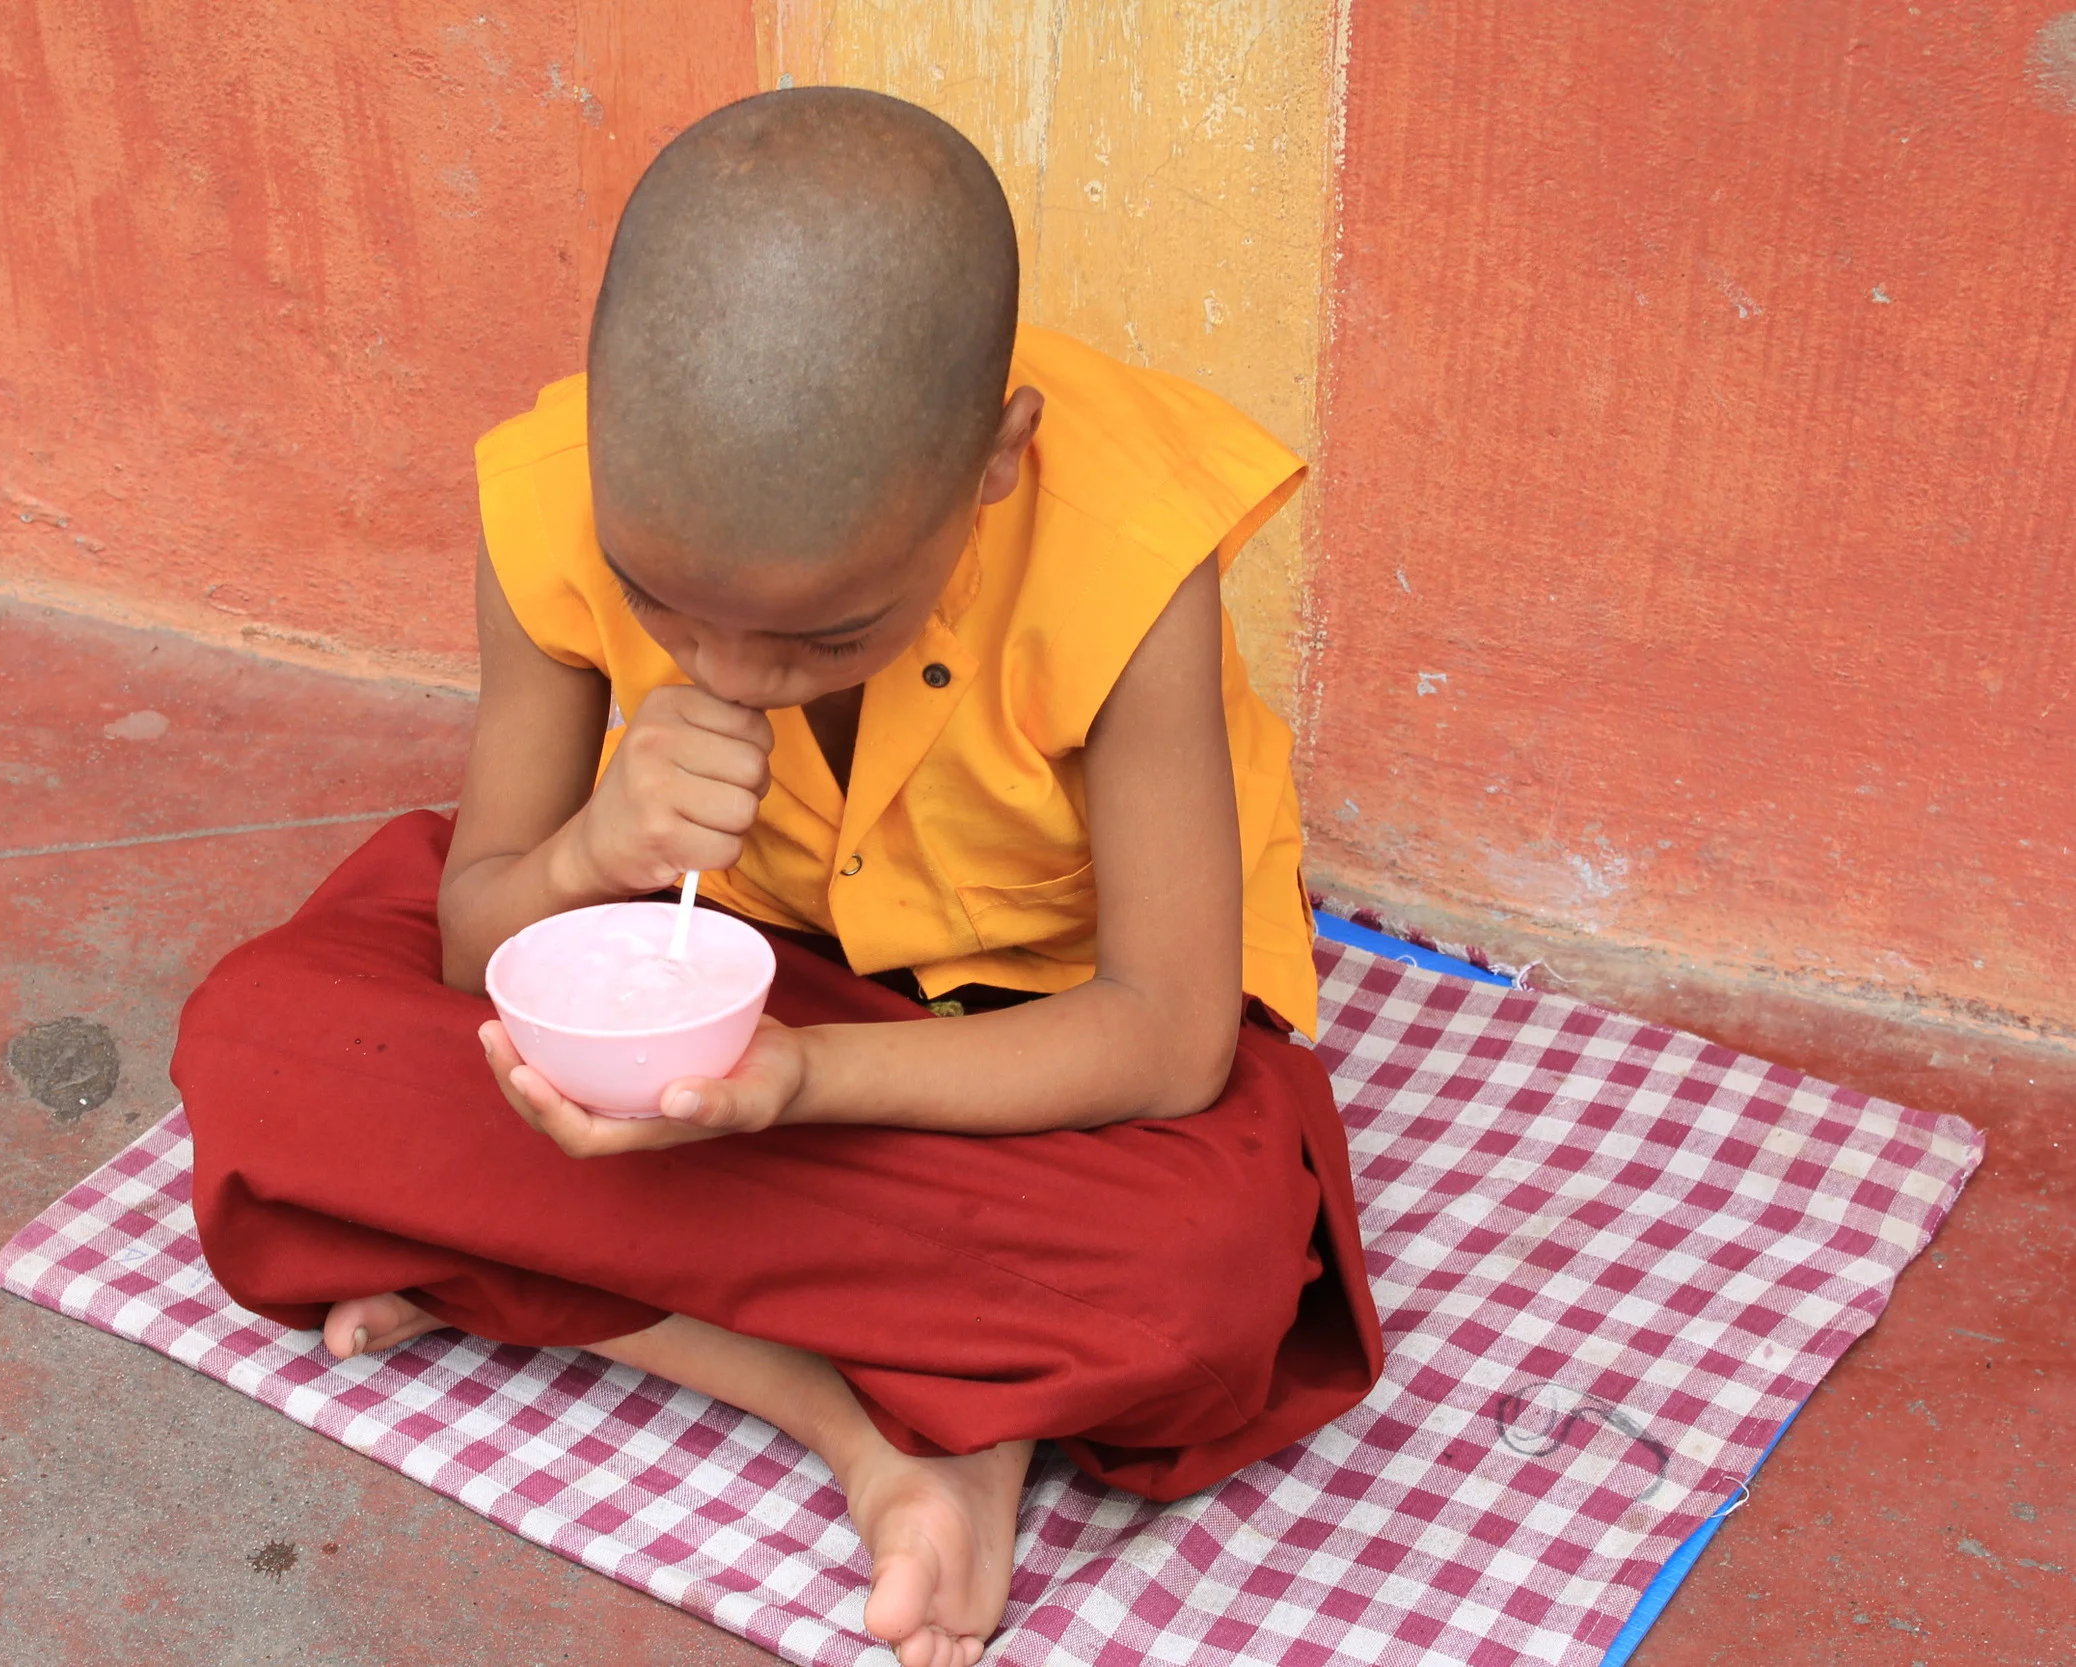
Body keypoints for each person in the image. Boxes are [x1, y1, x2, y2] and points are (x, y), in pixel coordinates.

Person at [173, 87, 1383, 1667]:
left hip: (1013, 1053)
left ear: (999, 462)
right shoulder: (555, 493)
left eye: (827, 636)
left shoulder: (1127, 552)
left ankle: (518, 1263)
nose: (729, 673)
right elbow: (480, 934)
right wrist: (599, 850)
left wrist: (800, 1080)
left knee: (1199, 1278)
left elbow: (1167, 1038)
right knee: (264, 1044)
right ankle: (871, 1418)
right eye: (660, 604)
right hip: (696, 1000)